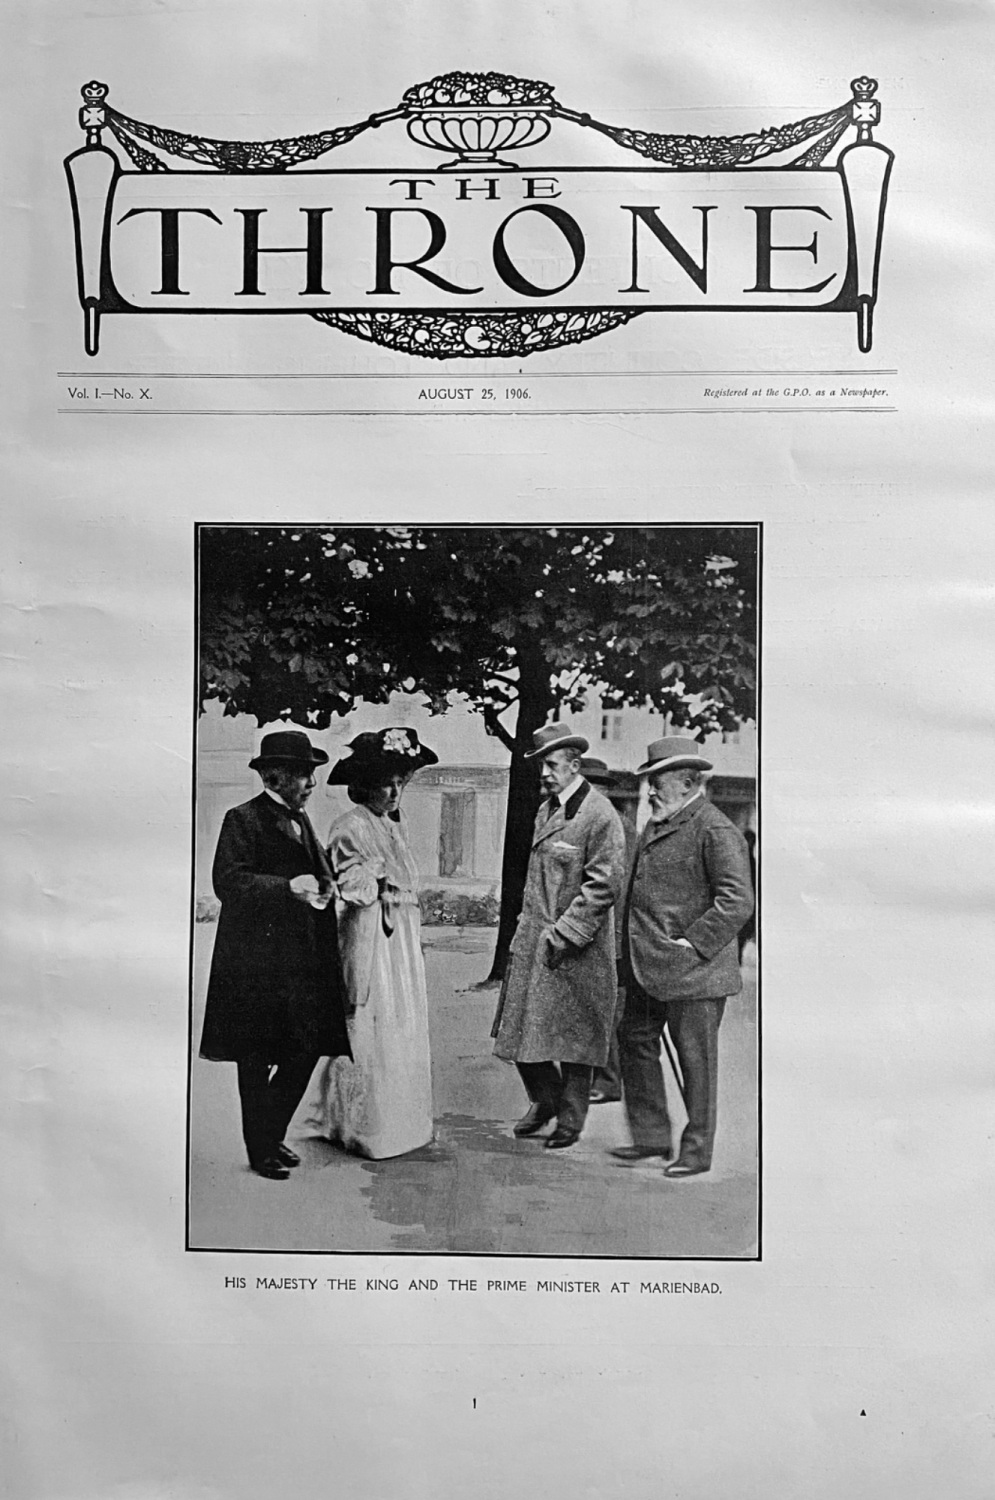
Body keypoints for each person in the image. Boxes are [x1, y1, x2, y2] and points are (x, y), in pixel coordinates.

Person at [199, 729, 351, 1181]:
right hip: (256, 964)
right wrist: (286, 888)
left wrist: (327, 887)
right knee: (255, 1055)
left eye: (311, 774)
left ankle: (270, 1133)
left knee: (304, 1048)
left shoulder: (302, 819)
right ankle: (260, 1148)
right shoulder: (241, 819)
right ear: (276, 776)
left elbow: (316, 875)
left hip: (302, 961)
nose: (311, 783)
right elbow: (228, 882)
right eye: (304, 774)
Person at [612, 737, 754, 1178]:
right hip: (647, 964)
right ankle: (652, 1137)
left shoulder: (715, 829)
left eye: (657, 782)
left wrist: (694, 943)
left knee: (697, 1063)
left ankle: (696, 1151)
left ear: (689, 782)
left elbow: (737, 900)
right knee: (635, 1042)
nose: (649, 791)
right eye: (650, 782)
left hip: (696, 972)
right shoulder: (658, 822)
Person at [491, 723, 626, 1150]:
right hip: (535, 935)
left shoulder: (599, 814)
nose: (545, 773)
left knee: (574, 1036)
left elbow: (604, 884)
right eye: (541, 767)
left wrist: (565, 934)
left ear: (574, 764)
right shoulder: (546, 809)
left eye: (551, 765)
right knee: (518, 1028)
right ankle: (545, 1100)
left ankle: (570, 1119)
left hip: (575, 945)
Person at [307, 728, 437, 1160]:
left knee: (401, 1022)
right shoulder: (350, 825)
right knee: (371, 1021)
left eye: (402, 781)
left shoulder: (390, 824)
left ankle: (403, 1120)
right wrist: (375, 877)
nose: (395, 791)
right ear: (364, 784)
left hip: (399, 936)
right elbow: (350, 886)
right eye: (386, 782)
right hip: (370, 934)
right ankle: (362, 1124)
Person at [580, 758, 638, 1105]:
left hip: (612, 931)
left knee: (608, 1009)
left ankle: (609, 1080)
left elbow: (620, 883)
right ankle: (598, 1077)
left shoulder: (620, 826)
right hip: (591, 927)